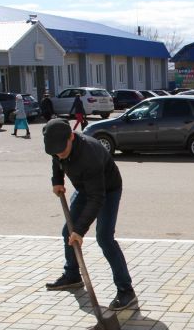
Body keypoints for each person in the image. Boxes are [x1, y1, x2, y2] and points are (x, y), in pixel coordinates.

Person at [43, 118, 138, 311]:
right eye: (55, 151)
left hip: (107, 190)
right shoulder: (57, 144)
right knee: (67, 233)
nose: (59, 154)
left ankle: (126, 291)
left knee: (104, 238)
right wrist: (57, 180)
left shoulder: (90, 155)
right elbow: (56, 160)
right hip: (85, 188)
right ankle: (72, 275)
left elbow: (97, 198)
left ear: (71, 137)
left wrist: (80, 230)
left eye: (62, 150)